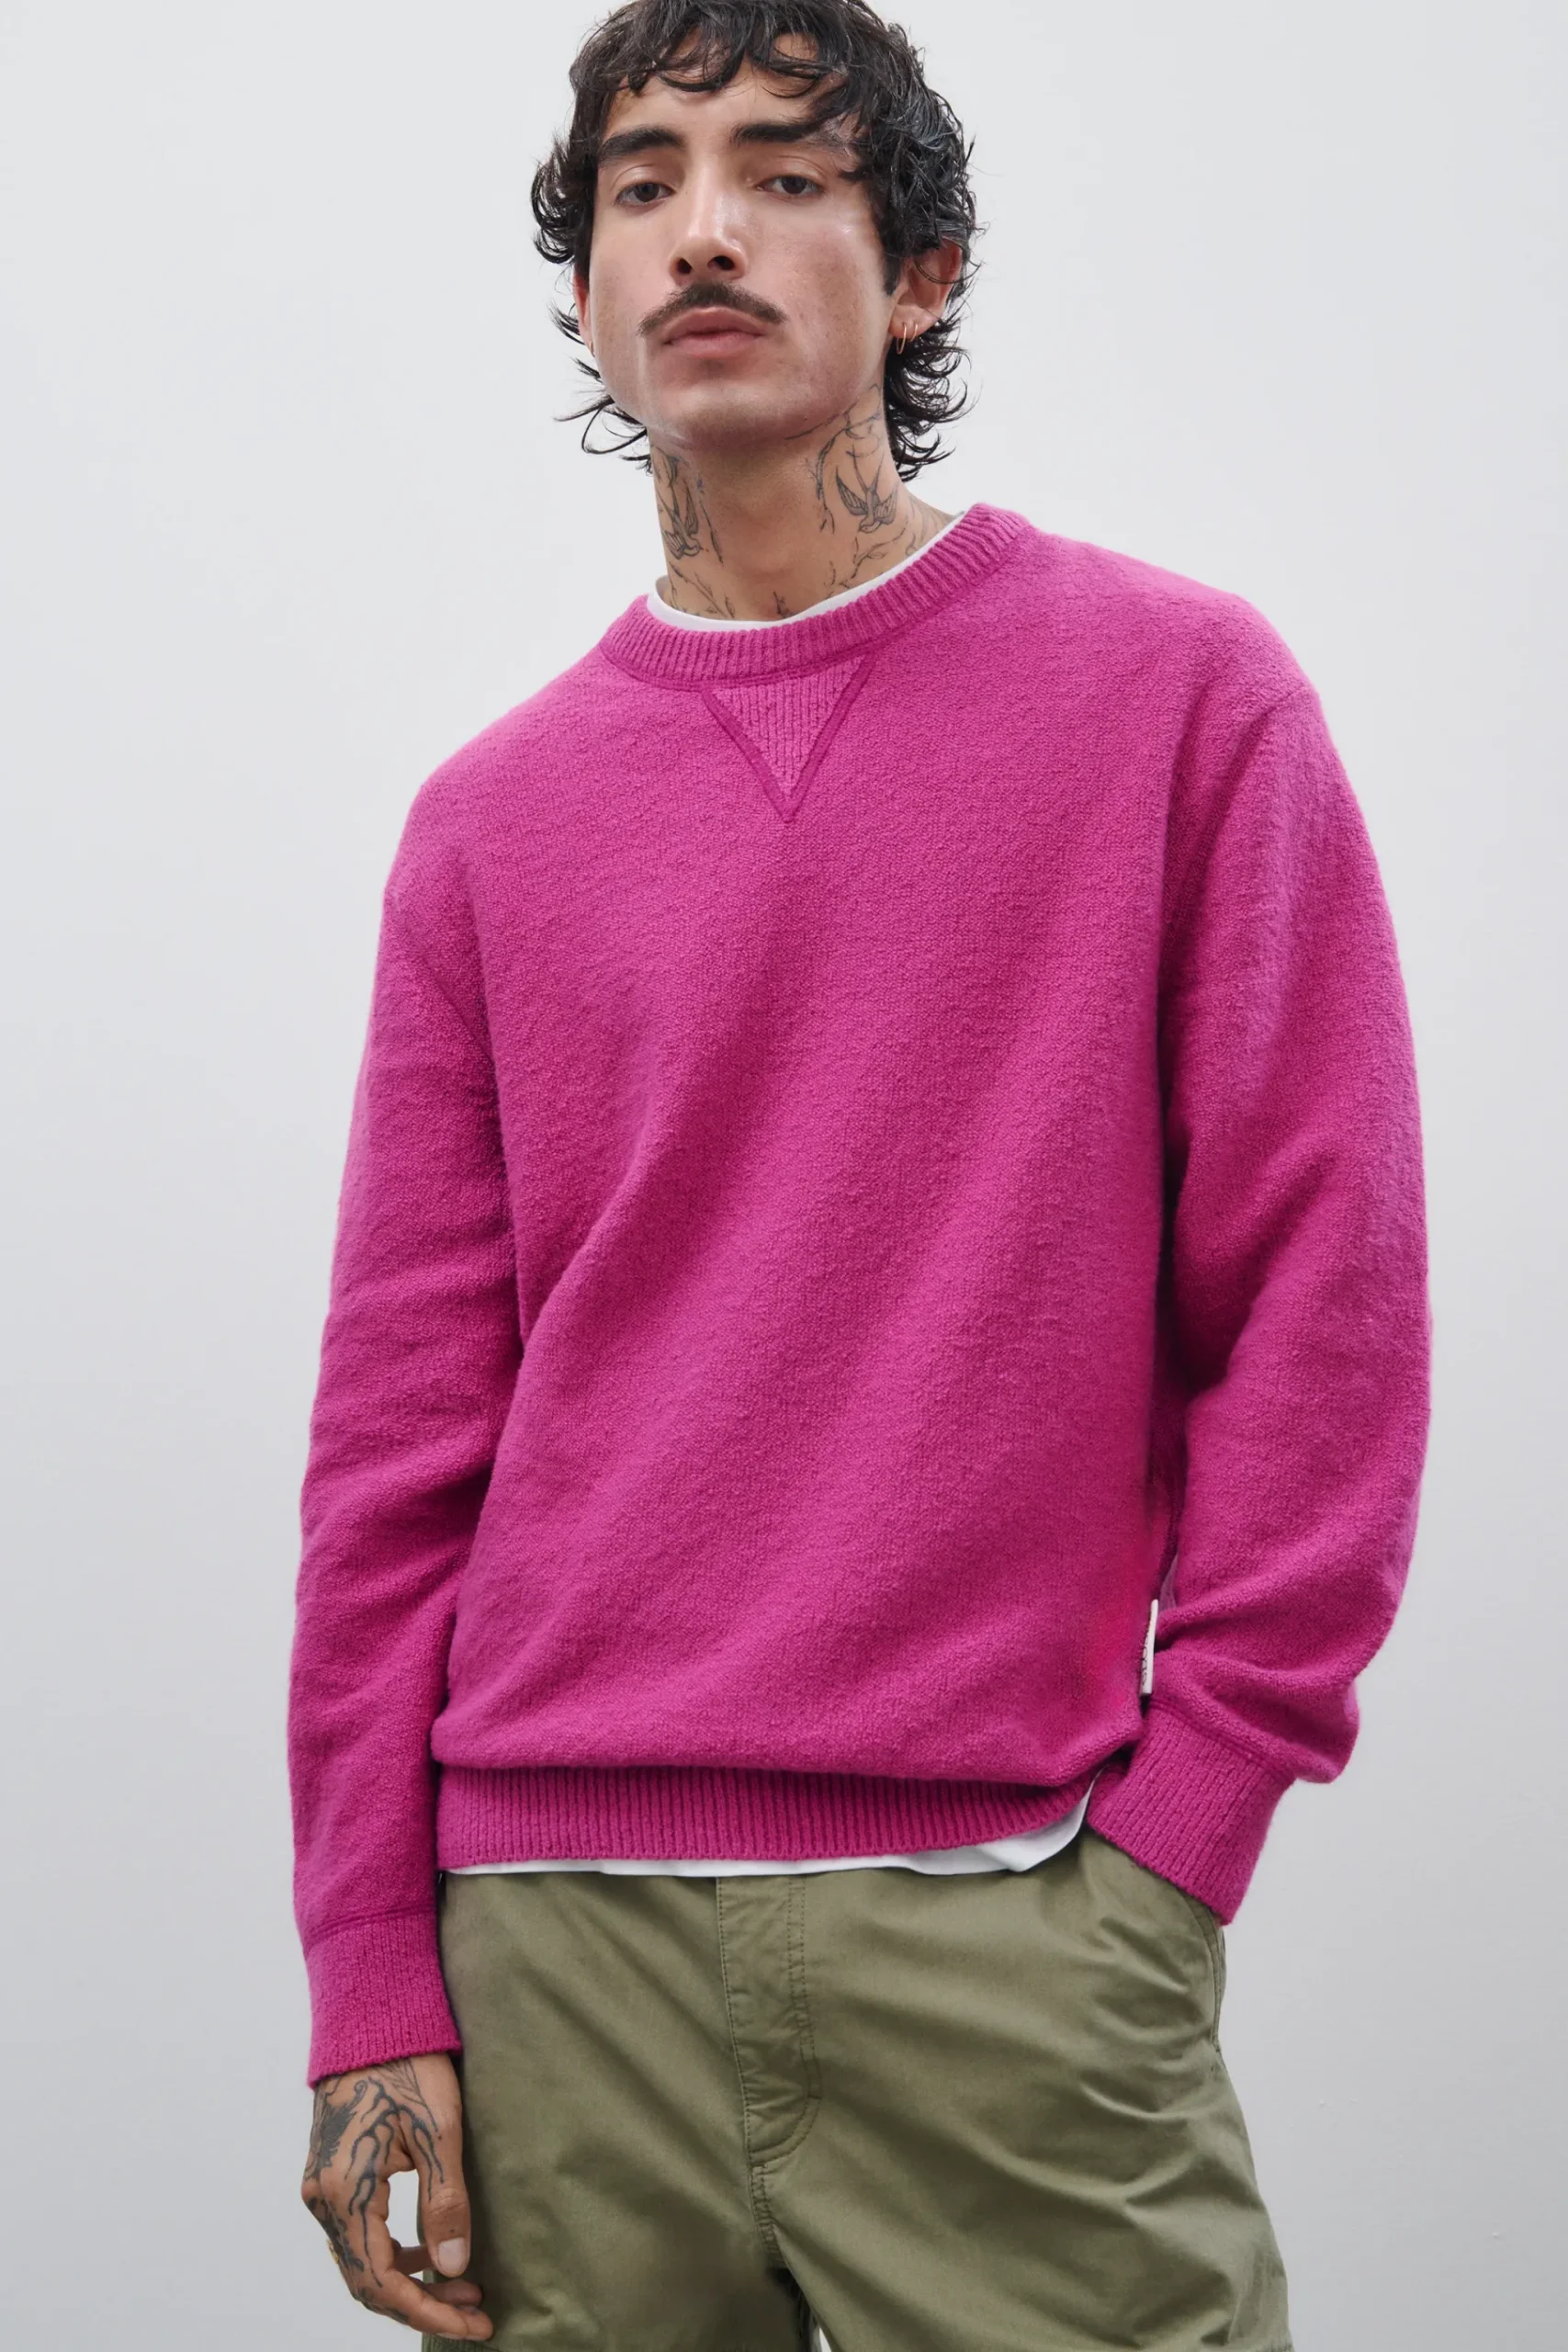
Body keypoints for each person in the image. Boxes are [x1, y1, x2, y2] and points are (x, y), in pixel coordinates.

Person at [288, 4, 1430, 2346]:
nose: (702, 227)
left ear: (919, 270)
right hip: (554, 1941)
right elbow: (396, 1447)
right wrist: (371, 1973)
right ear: (583, 292)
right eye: (643, 184)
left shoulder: (1182, 701)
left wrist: (1181, 1835)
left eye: (785, 174)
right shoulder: (489, 825)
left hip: (1006, 1917)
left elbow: (1324, 1293)